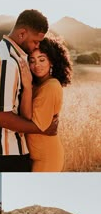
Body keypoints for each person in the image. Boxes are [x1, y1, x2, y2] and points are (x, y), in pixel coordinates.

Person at [0, 9, 58, 173]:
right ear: (22, 33)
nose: (37, 46)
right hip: (7, 150)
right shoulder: (6, 61)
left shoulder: (11, 55)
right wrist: (42, 128)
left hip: (12, 149)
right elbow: (1, 117)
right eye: (36, 41)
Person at [20, 36, 72, 172]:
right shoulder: (37, 85)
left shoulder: (51, 86)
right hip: (34, 156)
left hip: (46, 157)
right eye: (32, 61)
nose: (37, 65)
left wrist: (26, 87)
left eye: (42, 59)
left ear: (52, 61)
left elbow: (29, 122)